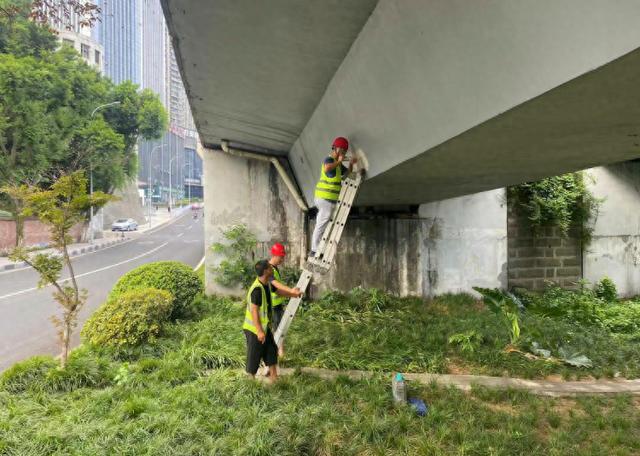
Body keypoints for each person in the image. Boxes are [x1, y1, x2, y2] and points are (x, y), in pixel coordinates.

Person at [243, 259, 298, 382]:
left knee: (271, 351)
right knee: (254, 355)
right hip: (254, 329)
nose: (272, 268)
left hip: (264, 327)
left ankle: (274, 378)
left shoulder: (267, 282)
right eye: (269, 267)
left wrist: (293, 295)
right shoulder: (257, 289)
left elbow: (278, 291)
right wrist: (259, 331)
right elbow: (254, 312)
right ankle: (250, 383)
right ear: (265, 271)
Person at [310, 136, 357, 257]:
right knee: (321, 224)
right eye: (343, 151)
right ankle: (314, 250)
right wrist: (340, 161)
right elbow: (327, 168)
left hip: (329, 199)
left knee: (324, 224)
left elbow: (348, 175)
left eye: (345, 152)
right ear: (337, 149)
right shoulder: (329, 160)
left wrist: (351, 164)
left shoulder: (337, 165)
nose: (344, 153)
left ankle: (317, 249)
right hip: (324, 198)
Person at [267, 242, 301, 357]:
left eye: (283, 257)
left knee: (279, 328)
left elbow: (276, 291)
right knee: (277, 329)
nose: (282, 259)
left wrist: (292, 295)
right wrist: (291, 291)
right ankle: (277, 352)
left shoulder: (274, 268)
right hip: (272, 306)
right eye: (281, 257)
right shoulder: (268, 269)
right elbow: (275, 285)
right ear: (274, 255)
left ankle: (279, 351)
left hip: (277, 304)